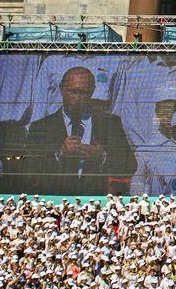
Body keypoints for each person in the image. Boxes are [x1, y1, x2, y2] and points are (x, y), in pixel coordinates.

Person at [23, 67, 137, 195]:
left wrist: (102, 157)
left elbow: (130, 166)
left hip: (96, 201)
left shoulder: (110, 124)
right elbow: (29, 170)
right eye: (72, 91)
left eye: (83, 93)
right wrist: (60, 154)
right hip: (56, 200)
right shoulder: (41, 127)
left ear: (92, 92)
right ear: (61, 90)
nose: (77, 98)